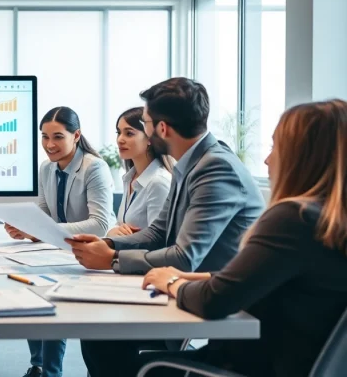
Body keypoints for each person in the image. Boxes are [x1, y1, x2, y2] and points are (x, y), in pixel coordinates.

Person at [68, 77, 265, 376]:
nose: (145, 129)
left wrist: (113, 260)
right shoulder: (191, 161)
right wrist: (108, 245)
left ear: (161, 129)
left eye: (145, 122)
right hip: (189, 289)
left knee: (106, 341)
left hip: (217, 300)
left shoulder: (215, 167)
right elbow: (158, 232)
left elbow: (186, 256)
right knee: (98, 337)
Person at [138, 99, 347, 377]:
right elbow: (266, 280)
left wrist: (173, 282)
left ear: (303, 156)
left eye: (275, 147)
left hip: (251, 366)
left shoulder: (293, 218)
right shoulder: (328, 220)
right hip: (299, 363)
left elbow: (214, 301)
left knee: (133, 364)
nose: (267, 159)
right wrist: (188, 277)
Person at [5, 106, 115, 377]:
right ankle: (39, 365)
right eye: (44, 137)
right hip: (57, 249)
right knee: (32, 291)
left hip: (92, 252)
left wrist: (42, 231)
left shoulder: (94, 167)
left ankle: (50, 372)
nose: (49, 144)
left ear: (76, 135)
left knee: (52, 299)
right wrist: (26, 226)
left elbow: (100, 224)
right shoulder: (46, 168)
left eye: (57, 137)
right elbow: (44, 211)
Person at [107, 107, 172, 236]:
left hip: (137, 255)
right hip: (124, 254)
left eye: (129, 133)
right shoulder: (129, 178)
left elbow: (160, 241)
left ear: (150, 138)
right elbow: (120, 225)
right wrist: (112, 232)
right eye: (118, 132)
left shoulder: (158, 182)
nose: (120, 139)